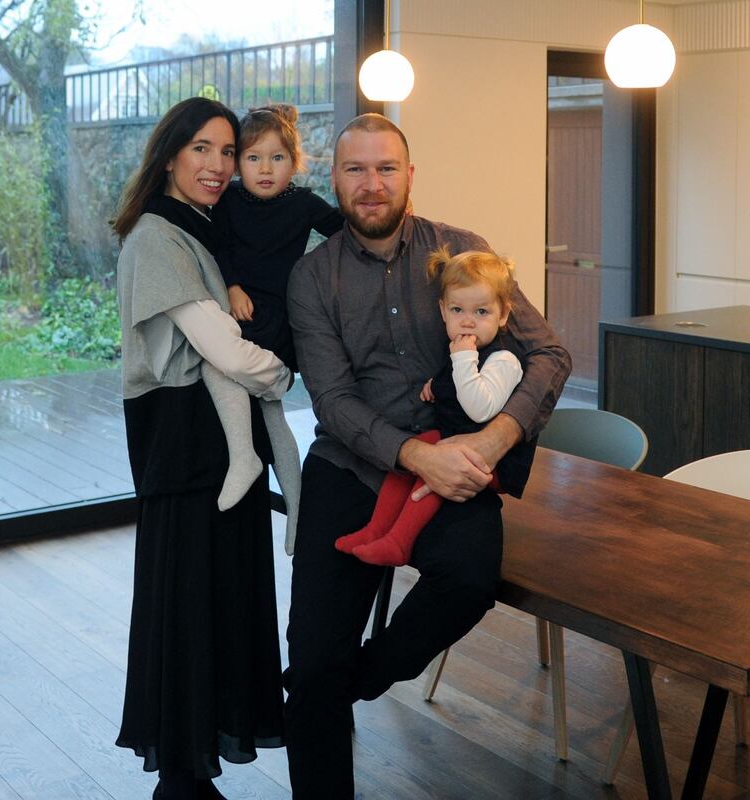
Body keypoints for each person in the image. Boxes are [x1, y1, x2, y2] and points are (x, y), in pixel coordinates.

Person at [285, 113, 572, 799]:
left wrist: (494, 437)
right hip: (354, 466)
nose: (372, 184)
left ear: (410, 176)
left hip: (461, 465)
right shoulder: (312, 277)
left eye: (386, 168)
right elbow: (331, 400)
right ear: (336, 179)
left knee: (469, 582)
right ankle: (324, 690)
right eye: (356, 170)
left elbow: (550, 353)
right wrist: (416, 456)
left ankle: (357, 681)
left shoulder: (464, 250)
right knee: (313, 654)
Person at [112, 97, 290, 800]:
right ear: (170, 155)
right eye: (203, 151)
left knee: (220, 606)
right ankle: (182, 781)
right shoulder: (157, 235)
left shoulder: (203, 228)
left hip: (219, 449)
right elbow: (219, 347)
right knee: (187, 611)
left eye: (227, 151)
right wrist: (279, 372)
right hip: (186, 451)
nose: (219, 166)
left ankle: (193, 774)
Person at [336, 246, 533, 567]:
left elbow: (479, 408)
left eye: (482, 312)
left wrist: (463, 358)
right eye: (458, 310)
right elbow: (456, 378)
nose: (468, 322)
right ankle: (376, 530)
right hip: (454, 439)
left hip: (494, 462)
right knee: (410, 457)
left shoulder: (504, 358)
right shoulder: (463, 349)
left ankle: (399, 542)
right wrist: (437, 384)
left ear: (504, 314)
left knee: (439, 469)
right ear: (443, 311)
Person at [206, 103, 344, 552]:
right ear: (238, 164)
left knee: (266, 410)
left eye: (277, 158)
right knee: (255, 402)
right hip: (241, 311)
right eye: (253, 158)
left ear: (294, 162)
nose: (265, 169)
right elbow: (219, 245)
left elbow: (344, 231)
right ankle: (259, 471)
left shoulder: (302, 203)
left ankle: (292, 505)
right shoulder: (228, 201)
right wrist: (230, 286)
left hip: (278, 322)